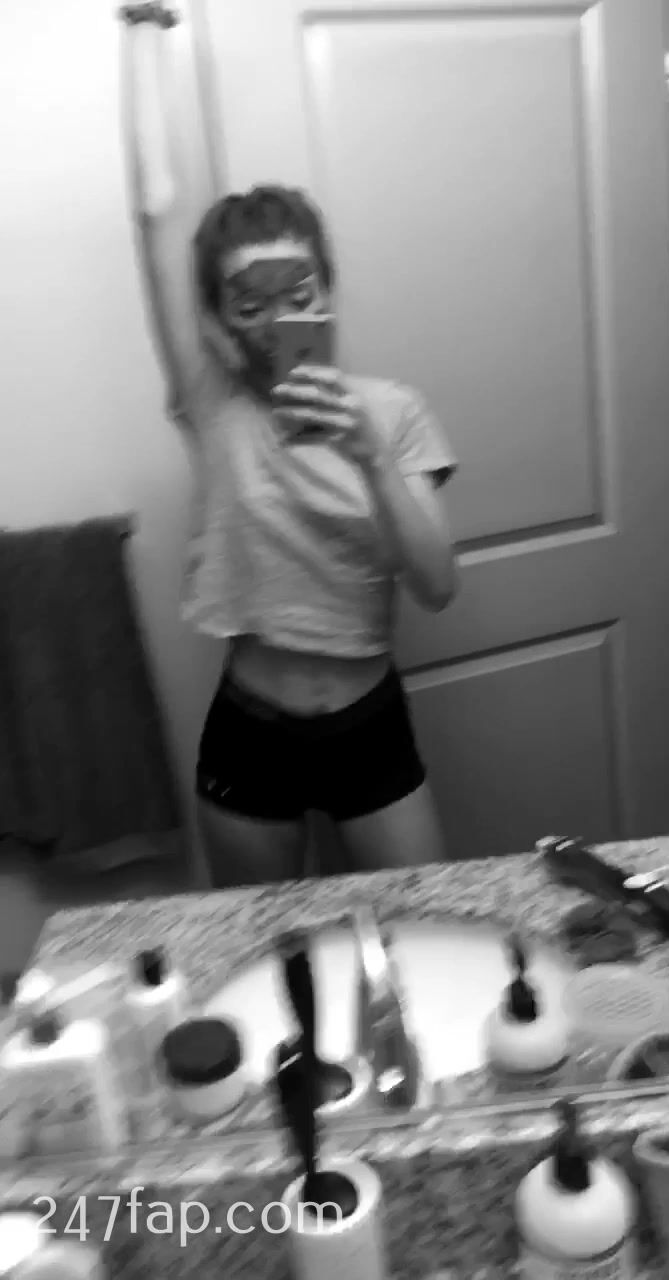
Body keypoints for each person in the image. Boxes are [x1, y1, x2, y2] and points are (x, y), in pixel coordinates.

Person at [119, 1, 458, 886]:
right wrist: (143, 31)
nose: (278, 320)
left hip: (368, 724)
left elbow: (436, 584)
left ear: (328, 290)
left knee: (415, 924)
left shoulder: (393, 411)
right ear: (220, 321)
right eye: (250, 303)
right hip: (251, 730)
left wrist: (369, 457)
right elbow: (155, 214)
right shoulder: (211, 401)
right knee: (262, 950)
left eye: (299, 293)